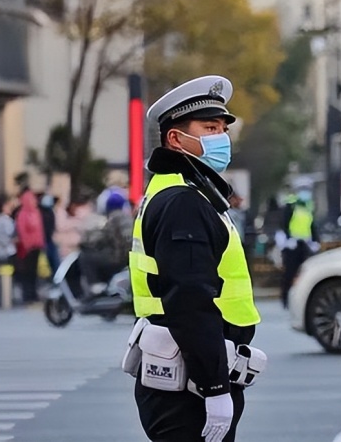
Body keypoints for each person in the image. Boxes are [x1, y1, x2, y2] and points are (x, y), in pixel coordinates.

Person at [128, 75, 261, 442]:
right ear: (176, 138)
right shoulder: (184, 202)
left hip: (191, 376)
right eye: (209, 128)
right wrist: (215, 387)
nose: (221, 138)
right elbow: (189, 300)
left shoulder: (184, 193)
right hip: (188, 385)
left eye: (222, 128)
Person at [81, 192, 133, 295]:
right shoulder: (128, 218)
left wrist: (87, 240)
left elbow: (101, 237)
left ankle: (96, 286)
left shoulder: (113, 219)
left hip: (118, 258)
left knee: (85, 257)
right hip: (128, 258)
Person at [276, 188, 320, 308]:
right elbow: (284, 223)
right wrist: (288, 239)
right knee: (289, 274)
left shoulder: (307, 208)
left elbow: (312, 226)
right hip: (291, 245)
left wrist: (315, 242)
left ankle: (300, 300)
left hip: (304, 245)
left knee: (304, 273)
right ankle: (285, 299)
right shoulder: (290, 206)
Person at [14, 190, 45, 303]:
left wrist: (41, 243)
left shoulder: (36, 212)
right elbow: (22, 232)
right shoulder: (22, 214)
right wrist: (27, 245)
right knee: (27, 272)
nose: (34, 202)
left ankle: (34, 293)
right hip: (27, 248)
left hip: (37, 246)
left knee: (34, 272)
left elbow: (40, 230)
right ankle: (27, 294)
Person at [0, 197, 17, 306]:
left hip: (4, 250)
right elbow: (0, 236)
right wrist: (11, 241)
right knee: (3, 275)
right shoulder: (2, 220)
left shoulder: (3, 219)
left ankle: (5, 297)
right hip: (3, 251)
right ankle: (4, 298)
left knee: (3, 276)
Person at [39, 194, 61, 274]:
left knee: (50, 260)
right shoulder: (49, 212)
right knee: (52, 260)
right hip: (47, 239)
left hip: (47, 239)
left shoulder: (42, 212)